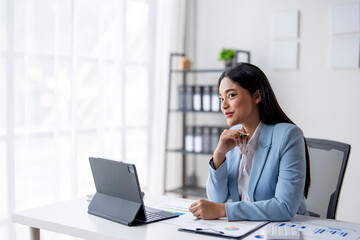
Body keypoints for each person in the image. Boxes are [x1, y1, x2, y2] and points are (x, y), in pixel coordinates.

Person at [189, 63, 310, 221]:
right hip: (246, 228)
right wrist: (219, 154)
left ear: (257, 96)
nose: (224, 105)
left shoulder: (288, 135)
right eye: (221, 98)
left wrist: (223, 210)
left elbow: (284, 207)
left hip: (285, 230)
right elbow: (216, 199)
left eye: (231, 95)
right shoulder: (232, 137)